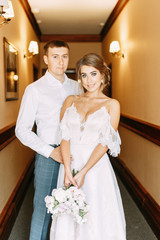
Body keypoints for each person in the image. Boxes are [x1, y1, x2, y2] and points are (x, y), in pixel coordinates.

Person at [50, 53, 126, 240]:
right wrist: (67, 169)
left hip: (95, 167)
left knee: (97, 215)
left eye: (93, 74)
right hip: (70, 163)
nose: (88, 80)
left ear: (103, 75)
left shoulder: (112, 104)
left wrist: (83, 171)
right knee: (69, 214)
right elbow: (65, 136)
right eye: (84, 75)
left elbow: (105, 143)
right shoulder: (71, 100)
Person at [15, 40, 80, 240]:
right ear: (45, 59)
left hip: (76, 154)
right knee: (43, 211)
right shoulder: (35, 89)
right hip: (49, 155)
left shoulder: (78, 87)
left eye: (64, 56)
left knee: (74, 209)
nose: (61, 62)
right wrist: (51, 151)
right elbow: (21, 130)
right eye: (55, 56)